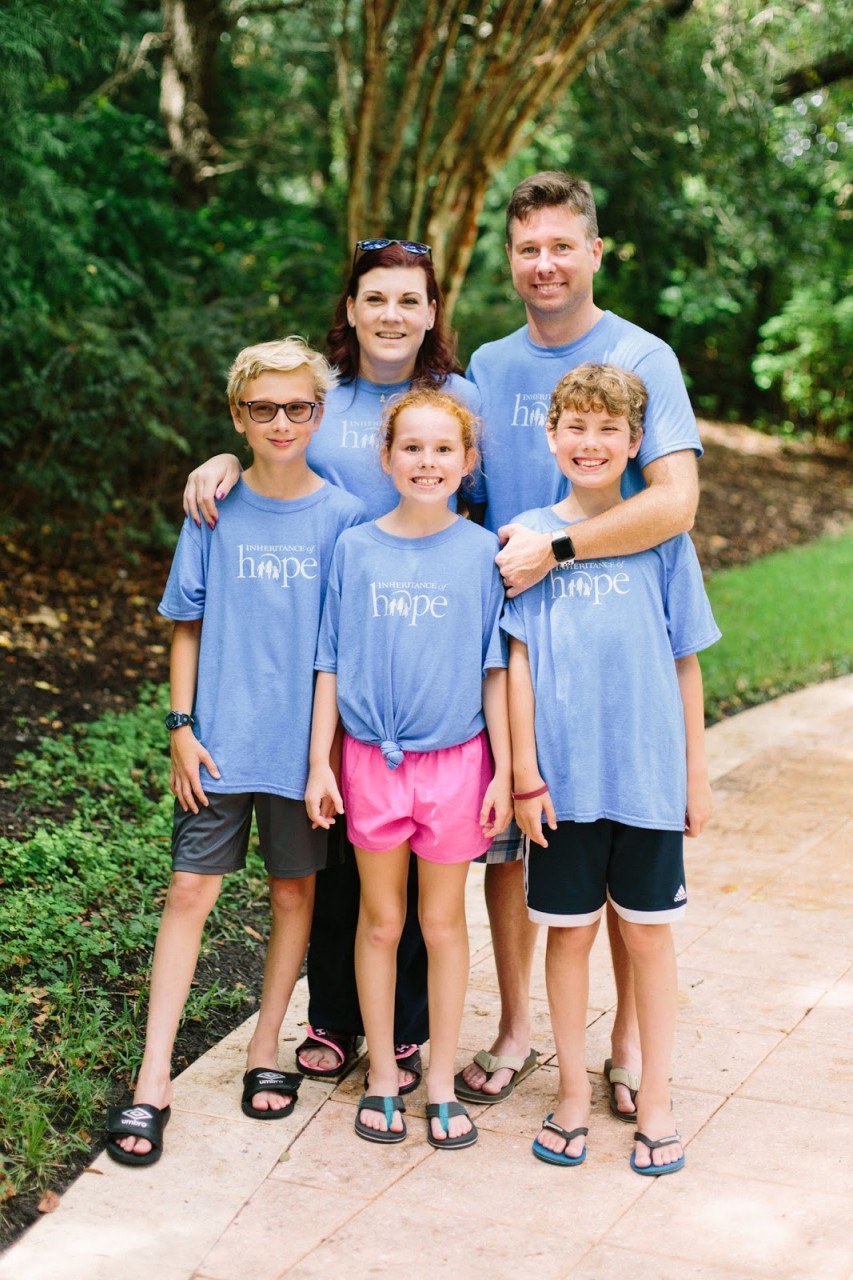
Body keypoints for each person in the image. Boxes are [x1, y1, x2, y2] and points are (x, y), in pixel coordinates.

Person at [181, 241, 480, 1094]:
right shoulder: (327, 394)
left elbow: (478, 505)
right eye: (374, 298)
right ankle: (333, 1019)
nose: (391, 314)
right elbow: (275, 445)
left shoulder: (455, 399)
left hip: (422, 648)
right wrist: (224, 461)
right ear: (349, 310)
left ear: (431, 313)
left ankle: (412, 1031)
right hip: (335, 650)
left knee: (423, 877)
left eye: (409, 300)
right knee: (341, 860)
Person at [455, 172, 703, 1115]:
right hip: (519, 651)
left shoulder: (644, 354)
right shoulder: (486, 363)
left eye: (562, 244)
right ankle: (519, 1030)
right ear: (509, 258)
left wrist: (557, 546)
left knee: (635, 893)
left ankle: (630, 1052)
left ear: (594, 251)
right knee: (517, 851)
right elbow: (430, 460)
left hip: (609, 646)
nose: (545, 262)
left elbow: (674, 502)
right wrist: (238, 455)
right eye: (528, 247)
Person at [105, 337, 364, 1167]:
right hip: (216, 746)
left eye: (297, 408)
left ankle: (264, 1051)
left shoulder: (345, 519)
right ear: (237, 416)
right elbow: (189, 625)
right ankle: (154, 1080)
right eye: (263, 408)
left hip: (301, 753)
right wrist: (181, 728)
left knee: (294, 897)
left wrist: (322, 758)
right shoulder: (213, 509)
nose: (281, 421)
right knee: (189, 890)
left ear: (318, 415)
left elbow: (335, 650)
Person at [503, 363, 718, 1173]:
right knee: (566, 940)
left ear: (634, 442)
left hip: (646, 778)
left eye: (607, 430)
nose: (589, 443)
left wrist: (694, 776)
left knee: (649, 938)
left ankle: (654, 1096)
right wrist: (524, 774)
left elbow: (685, 662)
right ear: (552, 435)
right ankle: (567, 1093)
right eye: (575, 427)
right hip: (560, 786)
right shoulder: (527, 535)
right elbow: (516, 664)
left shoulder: (661, 535)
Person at [305, 387, 512, 1148]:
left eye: (442, 449)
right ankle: (382, 1075)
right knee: (380, 921)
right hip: (368, 762)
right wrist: (318, 765)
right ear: (386, 457)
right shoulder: (356, 548)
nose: (427, 462)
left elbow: (495, 671)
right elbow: (328, 661)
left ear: (467, 462)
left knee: (442, 923)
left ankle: (435, 1078)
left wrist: (501, 770)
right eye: (412, 448)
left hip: (456, 764)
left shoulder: (483, 553)